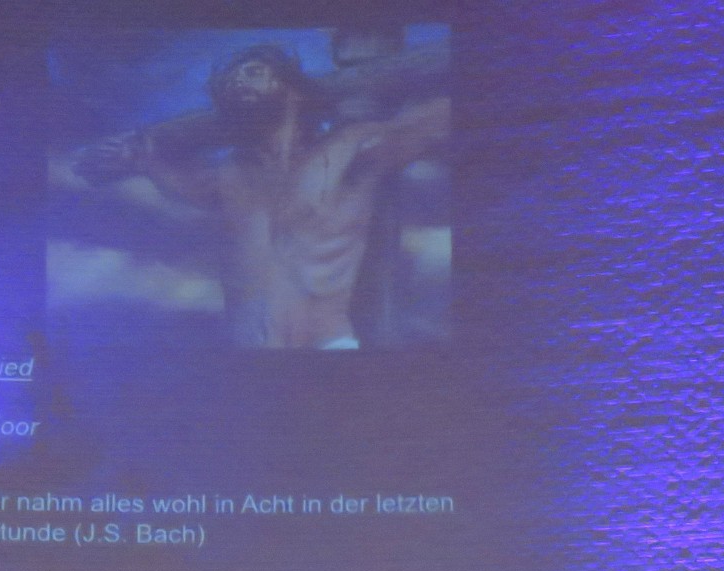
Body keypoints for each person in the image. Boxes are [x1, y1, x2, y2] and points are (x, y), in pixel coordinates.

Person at [76, 44, 448, 350]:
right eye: (234, 79)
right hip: (247, 351)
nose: (240, 81)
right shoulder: (232, 174)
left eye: (254, 71)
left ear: (295, 89)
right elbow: (187, 186)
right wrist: (144, 160)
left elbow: (426, 125)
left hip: (329, 346)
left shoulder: (349, 149)